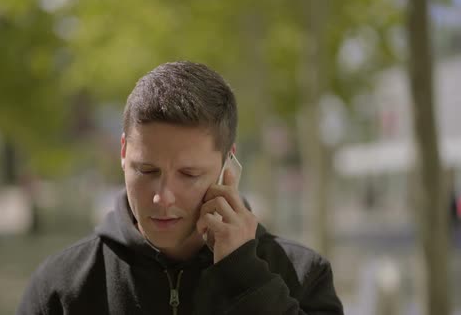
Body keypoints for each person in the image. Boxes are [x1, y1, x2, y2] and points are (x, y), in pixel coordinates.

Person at [17, 61, 343, 314]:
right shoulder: (61, 285)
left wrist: (246, 277)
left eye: (189, 174)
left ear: (228, 167)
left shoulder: (303, 275)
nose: (162, 197)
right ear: (122, 153)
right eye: (146, 170)